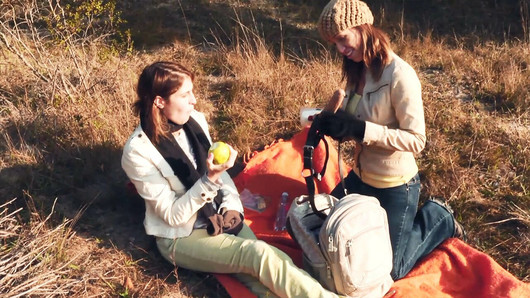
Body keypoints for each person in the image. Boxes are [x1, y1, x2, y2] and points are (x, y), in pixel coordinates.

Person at [121, 61, 340, 297]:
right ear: (160, 101)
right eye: (185, 95)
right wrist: (209, 180)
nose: (194, 100)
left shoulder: (194, 121)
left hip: (218, 216)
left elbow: (221, 174)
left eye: (192, 91)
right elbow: (173, 216)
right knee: (258, 255)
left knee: (262, 269)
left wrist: (232, 206)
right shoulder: (138, 152)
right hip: (180, 236)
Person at [314, 0, 466, 280]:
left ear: (363, 28)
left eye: (343, 39)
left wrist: (361, 130)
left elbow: (416, 140)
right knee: (319, 229)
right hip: (359, 178)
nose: (340, 49)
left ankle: (439, 217)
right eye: (334, 43)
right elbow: (355, 120)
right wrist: (338, 127)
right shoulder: (356, 67)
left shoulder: (400, 75)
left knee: (391, 271)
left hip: (394, 186)